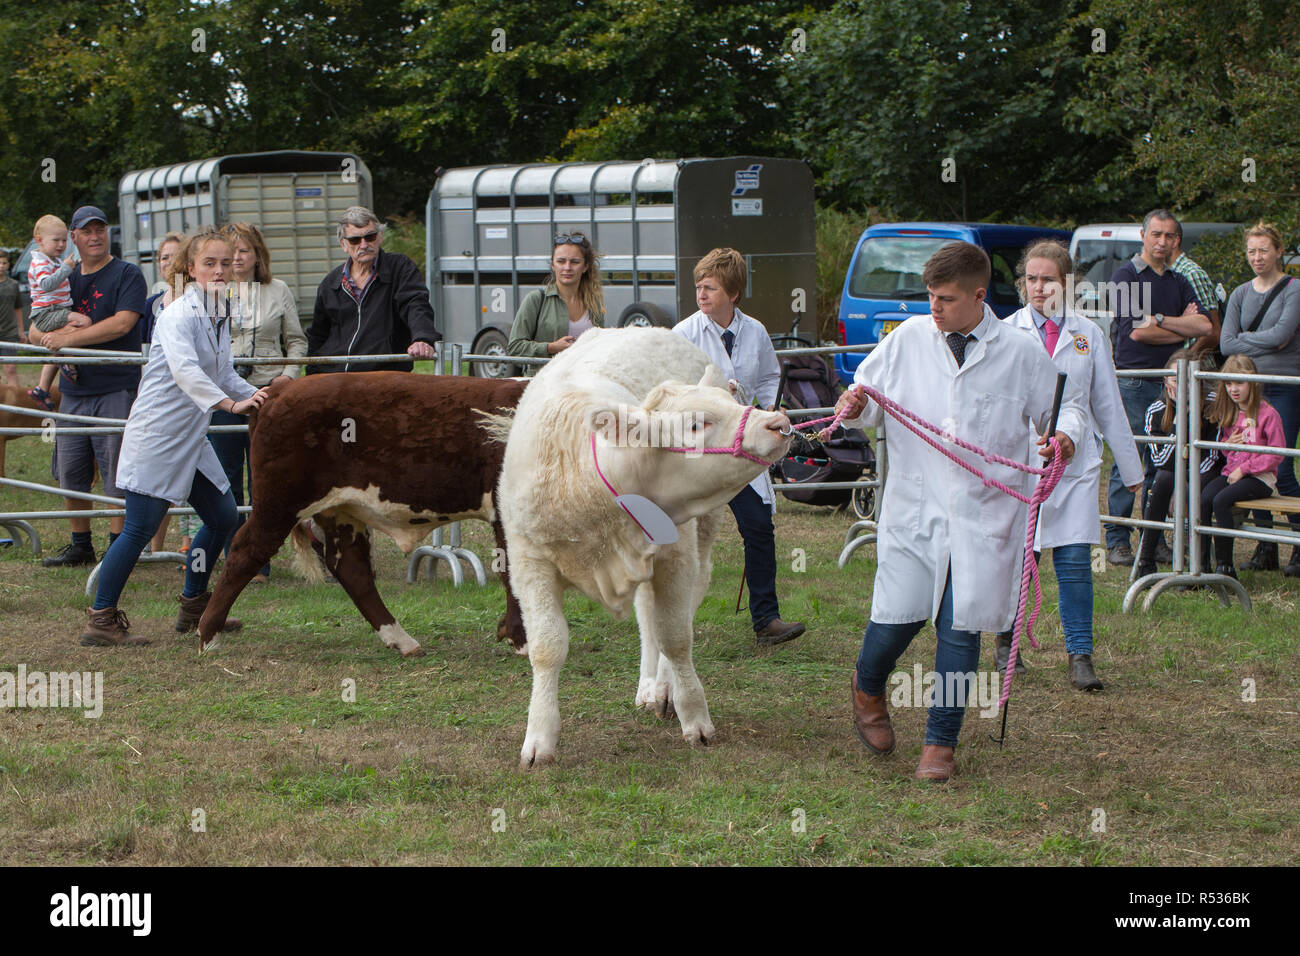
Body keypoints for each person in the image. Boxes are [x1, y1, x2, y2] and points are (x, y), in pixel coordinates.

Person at [838, 241, 1085, 781]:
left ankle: (939, 744)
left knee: (960, 627)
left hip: (983, 516)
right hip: (914, 508)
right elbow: (867, 395)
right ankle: (868, 684)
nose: (934, 307)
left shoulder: (1020, 353)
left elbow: (1063, 408)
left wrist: (1063, 437)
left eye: (945, 298)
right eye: (929, 296)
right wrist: (855, 405)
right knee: (894, 622)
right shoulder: (907, 340)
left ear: (979, 296)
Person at [76, 227, 268, 647]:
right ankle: (101, 618)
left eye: (225, 262)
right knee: (139, 528)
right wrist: (230, 406)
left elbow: (222, 373)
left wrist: (256, 395)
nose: (220, 270)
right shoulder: (179, 314)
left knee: (222, 518)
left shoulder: (219, 310)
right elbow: (187, 373)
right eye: (209, 264)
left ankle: (193, 604)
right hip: (159, 435)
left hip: (191, 437)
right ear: (190, 269)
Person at [996, 240, 1142, 692]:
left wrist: (1133, 471)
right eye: (1032, 279)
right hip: (1022, 464)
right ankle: (1006, 642)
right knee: (1023, 557)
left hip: (1075, 466)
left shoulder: (1088, 335)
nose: (1039, 288)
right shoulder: (1004, 332)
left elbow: (1107, 404)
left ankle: (1081, 655)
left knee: (1076, 558)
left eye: (1049, 280)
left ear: (1068, 284)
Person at [672, 247, 805, 647]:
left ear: (733, 293)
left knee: (759, 527)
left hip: (743, 450)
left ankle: (766, 619)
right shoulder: (683, 335)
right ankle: (675, 620)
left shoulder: (757, 332)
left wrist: (772, 409)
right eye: (698, 287)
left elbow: (768, 378)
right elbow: (673, 394)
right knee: (683, 536)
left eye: (710, 287)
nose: (701, 294)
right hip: (699, 452)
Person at [36, 206, 147, 568]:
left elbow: (122, 324)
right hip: (72, 389)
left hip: (116, 387)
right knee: (71, 473)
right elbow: (36, 329)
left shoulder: (127, 274)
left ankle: (119, 548)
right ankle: (80, 545)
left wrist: (69, 339)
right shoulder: (62, 275)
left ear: (108, 234)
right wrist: (54, 338)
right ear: (74, 236)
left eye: (100, 229)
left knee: (117, 472)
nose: (95, 236)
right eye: (87, 231)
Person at [1104, 209, 1211, 567]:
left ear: (1176, 240)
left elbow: (1205, 327)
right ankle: (1118, 539)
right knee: (1128, 457)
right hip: (1134, 380)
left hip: (1170, 384)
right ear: (1143, 235)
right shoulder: (1125, 276)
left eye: (1169, 236)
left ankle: (1154, 538)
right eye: (1156, 234)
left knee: (1161, 461)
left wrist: (1162, 320)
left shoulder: (1179, 280)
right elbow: (1137, 332)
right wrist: (1183, 326)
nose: (1162, 241)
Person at [208, 222, 307, 582]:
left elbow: (296, 340)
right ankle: (235, 557)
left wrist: (288, 377)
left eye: (243, 251)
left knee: (265, 478)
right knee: (227, 475)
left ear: (257, 255)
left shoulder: (278, 290)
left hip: (269, 394)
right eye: (229, 252)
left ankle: (260, 558)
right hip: (226, 395)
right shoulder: (212, 292)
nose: (235, 258)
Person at [1219, 222, 1300, 574]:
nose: (1257, 257)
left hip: (1282, 386)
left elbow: (1283, 335)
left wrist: (1244, 337)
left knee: (1279, 464)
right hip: (1247, 392)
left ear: (1279, 251)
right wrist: (1256, 338)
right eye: (1251, 251)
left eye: (1263, 250)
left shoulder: (1294, 289)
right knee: (1249, 459)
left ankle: (1297, 545)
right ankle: (1266, 546)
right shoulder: (1239, 293)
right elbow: (1225, 344)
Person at [307, 206, 439, 374]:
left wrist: (422, 338)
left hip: (384, 375)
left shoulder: (400, 268)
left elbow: (415, 304)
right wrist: (312, 375)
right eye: (355, 240)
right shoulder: (330, 283)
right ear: (343, 245)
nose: (364, 244)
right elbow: (318, 334)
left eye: (370, 237)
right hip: (337, 378)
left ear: (380, 237)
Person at [1135, 349, 1224, 577]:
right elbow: (1159, 460)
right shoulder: (1157, 410)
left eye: (1187, 380)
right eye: (1175, 380)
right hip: (1173, 472)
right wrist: (1177, 423)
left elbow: (1214, 455)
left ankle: (1201, 564)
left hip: (1209, 470)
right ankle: (1146, 558)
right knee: (1162, 479)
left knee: (1196, 488)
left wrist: (1187, 480)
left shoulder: (1212, 404)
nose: (1181, 387)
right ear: (1166, 380)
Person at [1198, 355, 1284, 579]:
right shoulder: (1231, 413)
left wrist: (1245, 469)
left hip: (1259, 478)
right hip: (1233, 474)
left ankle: (1225, 568)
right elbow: (1229, 453)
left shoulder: (1268, 414)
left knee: (1221, 501)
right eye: (1228, 383)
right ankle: (1202, 564)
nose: (1233, 389)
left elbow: (1277, 454)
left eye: (1239, 383)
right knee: (1204, 499)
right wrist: (1227, 445)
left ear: (1253, 382)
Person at [140, 233, 186, 557]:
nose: (168, 263)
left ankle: (187, 543)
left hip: (194, 402)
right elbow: (146, 356)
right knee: (157, 476)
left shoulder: (202, 301)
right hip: (159, 402)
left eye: (174, 256)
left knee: (190, 476)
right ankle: (152, 546)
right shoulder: (151, 304)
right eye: (163, 258)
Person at [508, 231, 605, 370]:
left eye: (575, 262)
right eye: (561, 261)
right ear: (553, 265)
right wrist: (551, 347)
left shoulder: (594, 304)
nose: (567, 267)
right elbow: (514, 347)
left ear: (585, 267)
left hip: (584, 382)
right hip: (545, 384)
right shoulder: (536, 299)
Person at [25, 215, 87, 410]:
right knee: (83, 322)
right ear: (39, 240)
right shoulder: (40, 263)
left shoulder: (52, 261)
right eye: (56, 240)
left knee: (60, 338)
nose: (61, 245)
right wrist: (66, 269)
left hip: (55, 310)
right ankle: (68, 364)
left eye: (64, 240)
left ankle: (42, 388)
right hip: (47, 312)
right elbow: (47, 285)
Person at [1168, 225, 1223, 361]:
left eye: (1162, 237)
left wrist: (1184, 364)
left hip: (1195, 372)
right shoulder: (1162, 274)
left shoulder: (1191, 274)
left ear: (1175, 241)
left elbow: (1214, 333)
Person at [0, 250, 23, 388]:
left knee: (10, 368)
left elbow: (18, 308)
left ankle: (15, 403)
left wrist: (20, 331)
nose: (1, 265)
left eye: (4, 262)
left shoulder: (13, 285)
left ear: (8, 265)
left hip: (10, 333)